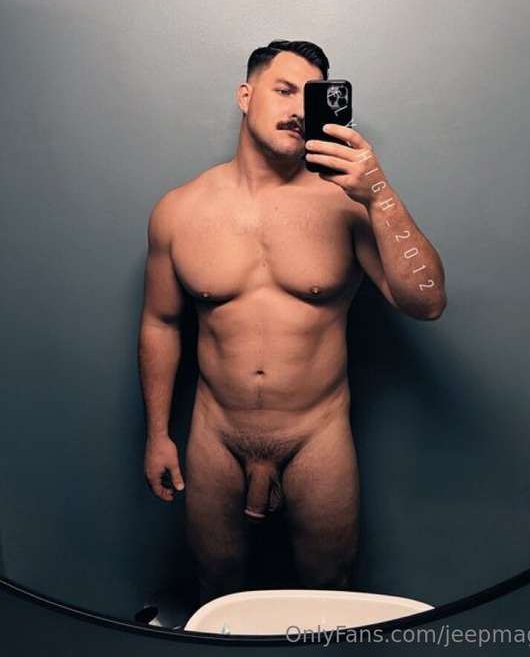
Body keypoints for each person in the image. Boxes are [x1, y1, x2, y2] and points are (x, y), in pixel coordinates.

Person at [138, 39, 446, 604]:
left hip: (315, 432)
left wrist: (378, 192)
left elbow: (426, 301)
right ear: (245, 95)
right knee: (215, 585)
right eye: (283, 91)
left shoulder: (346, 204)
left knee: (330, 588)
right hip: (216, 431)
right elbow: (160, 323)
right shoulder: (180, 210)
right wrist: (157, 435)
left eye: (311, 97)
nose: (299, 109)